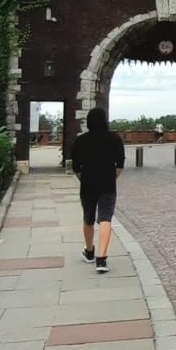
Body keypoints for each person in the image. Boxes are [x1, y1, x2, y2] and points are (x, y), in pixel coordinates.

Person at [69, 106, 126, 274]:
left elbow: (76, 167)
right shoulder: (115, 139)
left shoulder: (81, 140)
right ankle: (101, 258)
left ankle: (89, 251)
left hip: (87, 185)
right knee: (105, 219)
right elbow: (119, 166)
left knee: (88, 218)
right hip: (108, 185)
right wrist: (110, 178)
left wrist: (85, 179)